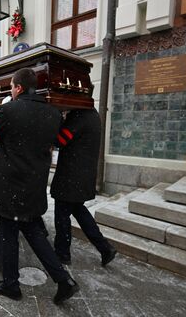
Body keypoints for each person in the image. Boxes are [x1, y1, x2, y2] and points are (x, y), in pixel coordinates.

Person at [0, 68, 79, 305]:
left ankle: (11, 284)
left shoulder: (8, 109)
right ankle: (63, 280)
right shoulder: (53, 114)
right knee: (33, 232)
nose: (11, 91)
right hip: (34, 183)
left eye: (12, 87)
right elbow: (63, 140)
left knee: (8, 235)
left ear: (18, 88)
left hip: (9, 184)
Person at [51, 108, 117, 266]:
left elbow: (60, 139)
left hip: (71, 177)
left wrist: (59, 119)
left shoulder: (79, 116)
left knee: (62, 215)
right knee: (78, 211)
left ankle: (62, 253)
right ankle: (105, 248)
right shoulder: (92, 114)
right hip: (81, 176)